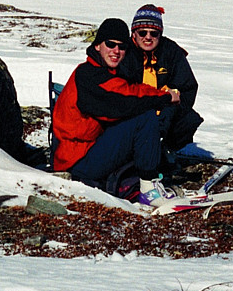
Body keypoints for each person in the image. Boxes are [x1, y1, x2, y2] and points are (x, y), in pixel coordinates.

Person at [52, 18, 181, 206]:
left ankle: (145, 181)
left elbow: (130, 90)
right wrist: (164, 99)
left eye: (122, 47)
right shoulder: (88, 76)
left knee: (142, 113)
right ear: (97, 46)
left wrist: (163, 93)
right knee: (144, 116)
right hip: (76, 162)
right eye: (110, 44)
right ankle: (148, 189)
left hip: (85, 151)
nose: (116, 51)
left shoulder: (103, 72)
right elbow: (121, 103)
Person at [120, 5, 203, 155]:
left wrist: (172, 101)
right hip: (132, 112)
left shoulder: (171, 52)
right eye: (142, 32)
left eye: (154, 33)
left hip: (164, 111)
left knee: (189, 120)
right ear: (134, 33)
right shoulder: (123, 52)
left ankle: (167, 152)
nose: (148, 37)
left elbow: (188, 86)